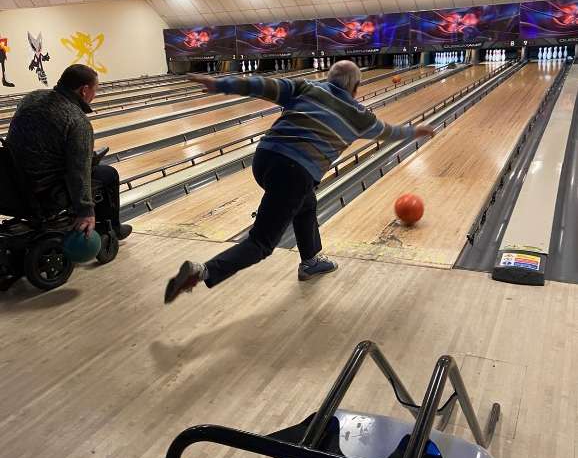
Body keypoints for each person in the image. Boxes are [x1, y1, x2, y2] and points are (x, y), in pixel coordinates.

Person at [164, 60, 434, 303]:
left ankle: (310, 261)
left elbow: (261, 85)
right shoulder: (359, 116)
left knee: (306, 203)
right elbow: (389, 132)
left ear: (328, 78)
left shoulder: (306, 88)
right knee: (260, 243)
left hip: (265, 159)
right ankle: (203, 271)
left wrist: (220, 84)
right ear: (356, 87)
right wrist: (415, 131)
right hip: (294, 172)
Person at [5, 63, 131, 240]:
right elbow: (78, 172)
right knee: (107, 174)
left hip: (10, 186)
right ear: (84, 90)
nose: (95, 95)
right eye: (95, 90)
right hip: (43, 194)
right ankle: (110, 230)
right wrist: (86, 211)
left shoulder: (31, 98)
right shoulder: (77, 121)